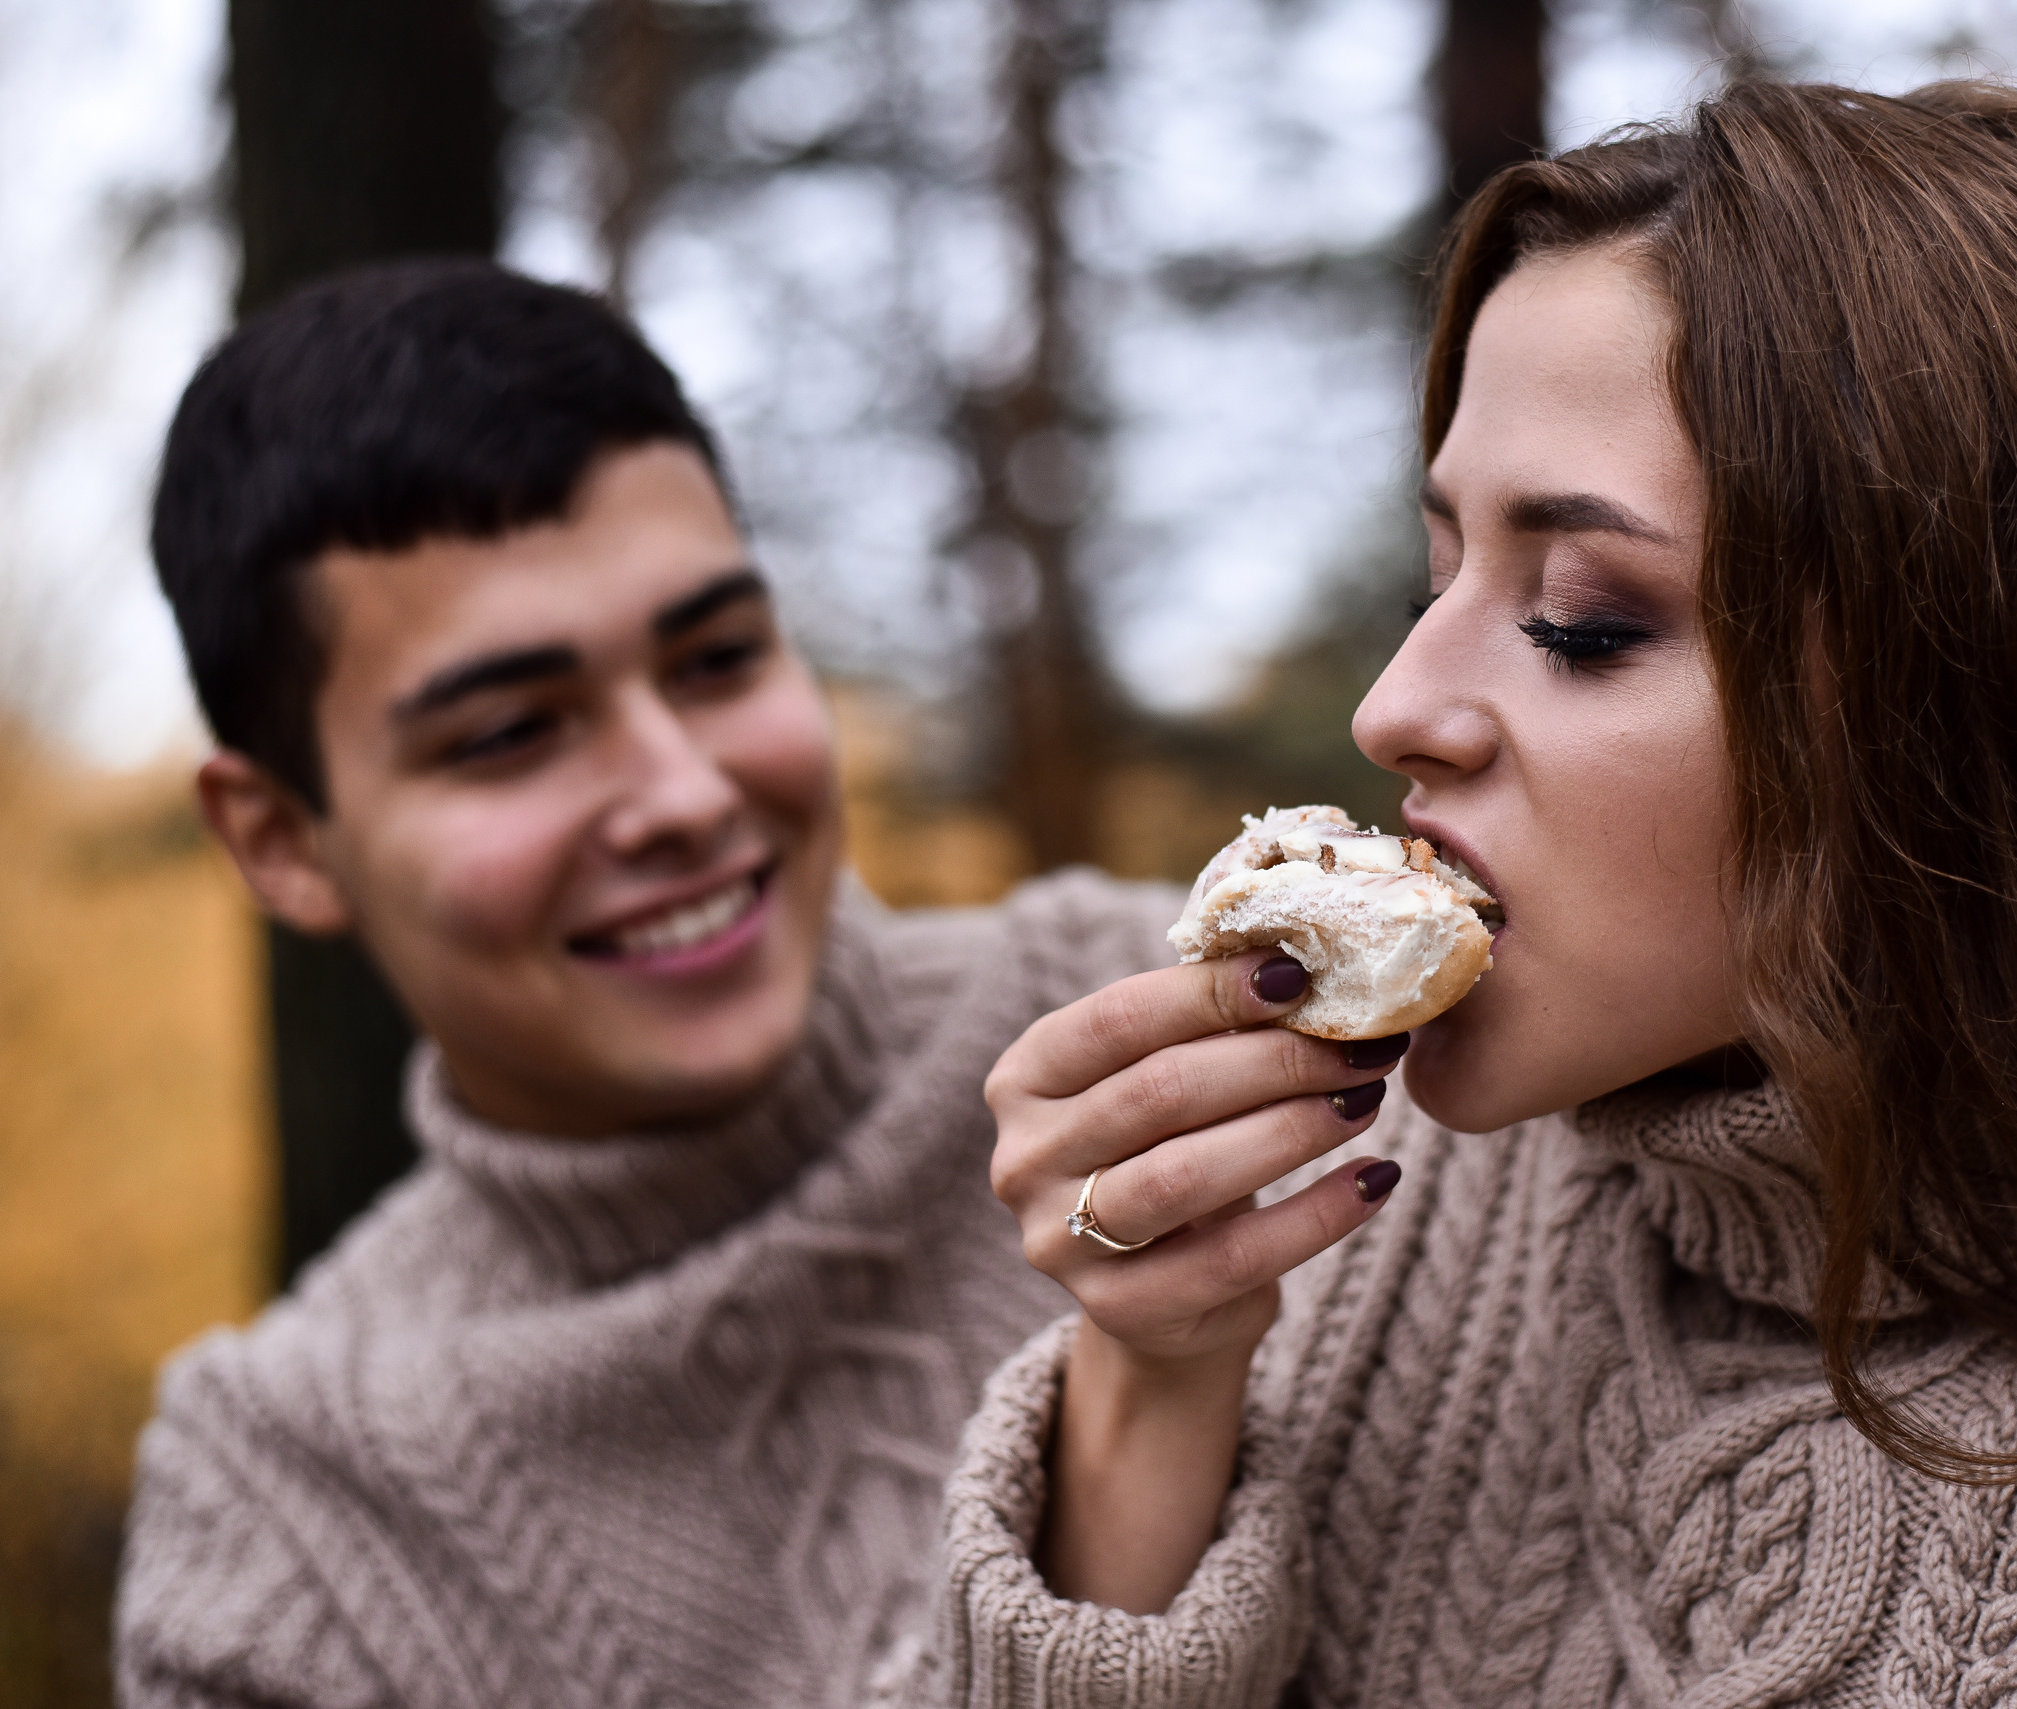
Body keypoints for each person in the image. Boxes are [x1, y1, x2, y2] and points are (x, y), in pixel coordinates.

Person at [891, 81, 2017, 1706]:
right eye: (1437, 571)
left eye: (1585, 619)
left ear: (1995, 707)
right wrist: (1152, 1380)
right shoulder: (1354, 1233)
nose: (1395, 704)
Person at [113, 261, 1408, 1706]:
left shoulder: (1211, 1031)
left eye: (719, 656)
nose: (679, 790)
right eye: (510, 733)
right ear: (282, 839)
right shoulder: (291, 1520)